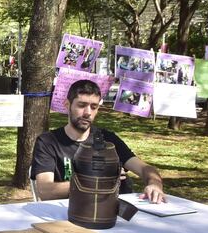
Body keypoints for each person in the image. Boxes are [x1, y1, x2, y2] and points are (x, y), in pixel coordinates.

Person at [31, 79, 165, 203]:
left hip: (116, 211)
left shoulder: (108, 139)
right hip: (74, 212)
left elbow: (145, 169)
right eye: (81, 105)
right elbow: (46, 191)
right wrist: (98, 181)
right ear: (67, 105)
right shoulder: (48, 142)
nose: (87, 112)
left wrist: (155, 184)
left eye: (93, 107)